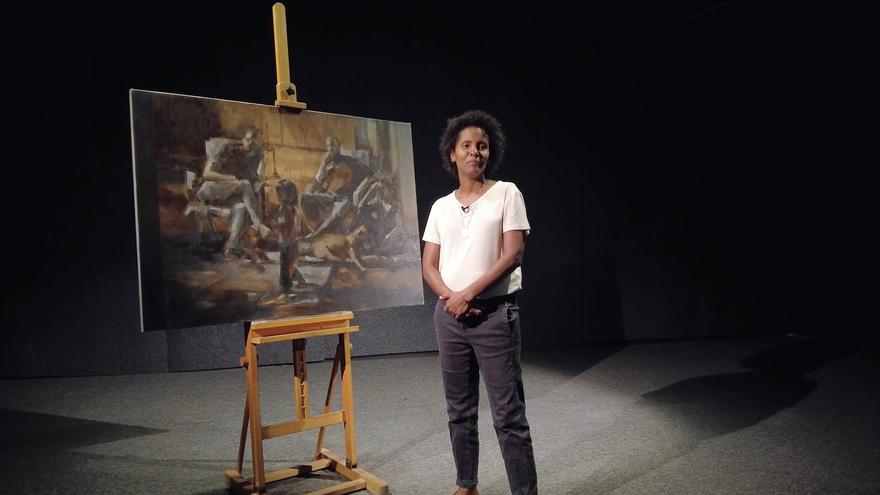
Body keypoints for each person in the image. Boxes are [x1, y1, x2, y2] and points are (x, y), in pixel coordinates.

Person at [422, 110, 537, 495]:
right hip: (449, 317)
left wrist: (467, 294)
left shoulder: (507, 193)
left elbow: (512, 255)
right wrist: (450, 298)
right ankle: (466, 485)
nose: (475, 152)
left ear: (491, 152)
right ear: (452, 154)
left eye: (482, 146)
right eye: (467, 146)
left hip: (494, 316)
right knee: (459, 410)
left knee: (508, 415)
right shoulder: (441, 207)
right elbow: (428, 265)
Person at [194, 126, 271, 259]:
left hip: (229, 194)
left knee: (241, 207)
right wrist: (230, 179)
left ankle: (232, 247)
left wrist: (257, 184)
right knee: (244, 185)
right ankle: (258, 225)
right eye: (248, 140)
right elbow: (207, 174)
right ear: (242, 139)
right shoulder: (229, 150)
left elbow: (252, 179)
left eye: (254, 142)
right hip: (210, 189)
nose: (250, 144)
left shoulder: (254, 157)